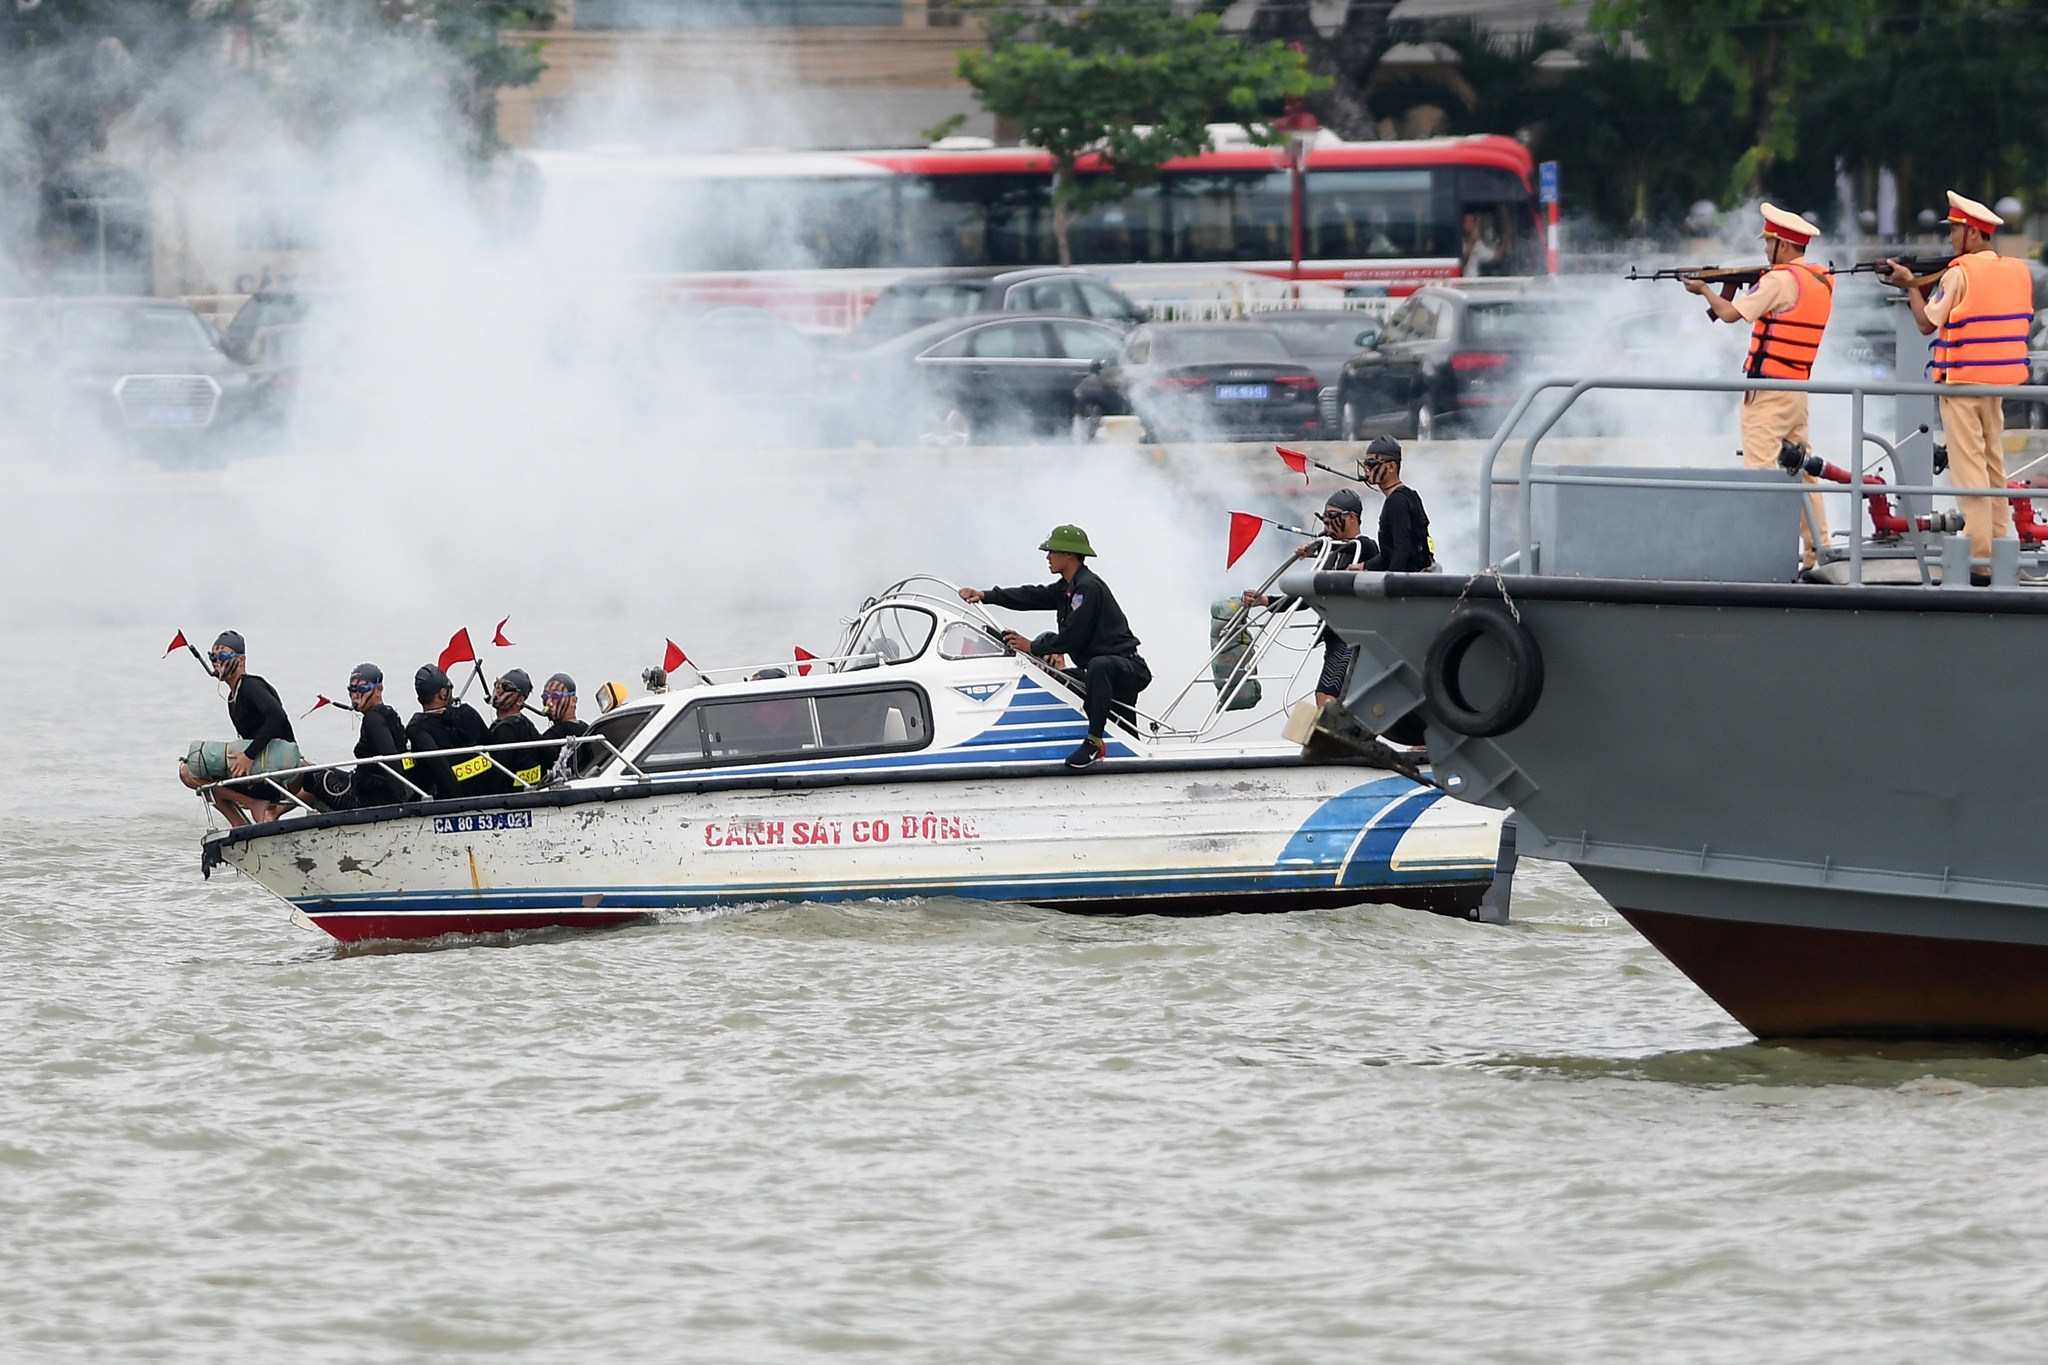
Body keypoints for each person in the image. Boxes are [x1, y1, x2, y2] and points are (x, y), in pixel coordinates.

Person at [1889, 190, 2033, 585]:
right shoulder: (2017, 270)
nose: (1950, 238)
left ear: (1971, 232)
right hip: (1998, 384)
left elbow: (1926, 323)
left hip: (1962, 384)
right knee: (1993, 468)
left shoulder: (1958, 273)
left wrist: (1910, 285)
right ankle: (2001, 547)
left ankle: (1980, 560)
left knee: (1969, 473)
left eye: (1954, 230)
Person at [1683, 203, 1833, 566]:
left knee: (1760, 473)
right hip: (1795, 391)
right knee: (1803, 472)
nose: (1765, 249)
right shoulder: (1819, 279)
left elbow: (1729, 314)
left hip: (1768, 394)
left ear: (1784, 244)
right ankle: (1819, 551)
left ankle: (1762, 559)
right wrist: (1732, 285)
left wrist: (1704, 290)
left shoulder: (1777, 281)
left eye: (1769, 242)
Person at [959, 523, 1151, 770]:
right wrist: (986, 595)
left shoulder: (1087, 588)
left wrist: (1031, 646)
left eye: (1052, 552)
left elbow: (1073, 637)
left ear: (1069, 554)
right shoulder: (1066, 588)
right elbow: (1030, 595)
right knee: (1065, 680)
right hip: (1102, 675)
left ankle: (1094, 743)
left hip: (1125, 670)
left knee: (1099, 665)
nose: (1048, 557)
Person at [1243, 487, 1378, 706]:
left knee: (1330, 697)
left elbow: (1357, 547)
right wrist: (1265, 601)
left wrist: (1318, 545)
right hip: (1334, 636)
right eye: (1324, 518)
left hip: (1353, 636)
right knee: (1326, 697)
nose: (1327, 524)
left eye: (1332, 517)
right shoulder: (1331, 552)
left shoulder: (1364, 547)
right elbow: (1309, 597)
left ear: (1352, 518)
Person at [177, 630, 302, 826]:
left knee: (188, 771)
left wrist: (248, 756)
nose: (216, 662)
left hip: (277, 772)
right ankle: (241, 824)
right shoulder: (232, 698)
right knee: (188, 771)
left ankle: (254, 805)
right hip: (259, 769)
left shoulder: (250, 686)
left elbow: (277, 716)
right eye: (212, 656)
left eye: (222, 655)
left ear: (241, 660)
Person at [404, 663, 493, 800]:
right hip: (485, 793)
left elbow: (439, 765)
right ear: (442, 693)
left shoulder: (416, 728)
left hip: (448, 798)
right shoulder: (467, 714)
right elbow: (493, 747)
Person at [1356, 436, 1435, 572]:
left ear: (1391, 467)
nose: (1366, 468)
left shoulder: (1397, 501)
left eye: (1371, 463)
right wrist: (1364, 566)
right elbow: (1389, 554)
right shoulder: (1410, 495)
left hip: (1410, 580)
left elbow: (1402, 550)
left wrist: (1391, 580)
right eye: (1366, 463)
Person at [345, 663, 411, 807]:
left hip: (372, 798)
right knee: (315, 769)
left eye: (362, 689)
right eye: (352, 689)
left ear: (378, 690)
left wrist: (402, 803)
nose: (355, 695)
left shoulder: (373, 719)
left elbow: (391, 759)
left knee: (312, 777)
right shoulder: (388, 713)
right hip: (371, 788)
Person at [485, 668, 546, 790]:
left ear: (520, 700)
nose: (498, 690)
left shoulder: (506, 730)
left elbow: (497, 777)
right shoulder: (527, 724)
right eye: (497, 685)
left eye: (506, 687)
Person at [539, 672, 589, 780]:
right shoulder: (588, 730)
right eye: (545, 696)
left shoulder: (552, 735)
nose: (548, 702)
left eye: (556, 696)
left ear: (573, 701)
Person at [1460, 211, 1498, 279]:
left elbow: (1494, 257)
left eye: (1471, 222)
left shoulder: (1478, 244)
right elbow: (1461, 263)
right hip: (1461, 280)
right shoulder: (1458, 242)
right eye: (1466, 221)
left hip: (1474, 280)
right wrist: (1471, 244)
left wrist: (1506, 242)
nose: (1468, 224)